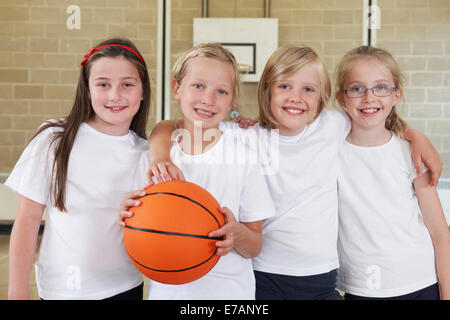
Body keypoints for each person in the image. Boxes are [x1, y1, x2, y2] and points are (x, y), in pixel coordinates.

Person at [146, 44, 442, 300]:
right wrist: (159, 153)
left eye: (308, 89)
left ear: (324, 97)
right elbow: (173, 126)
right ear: (267, 91)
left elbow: (373, 114)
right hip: (264, 272)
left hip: (320, 275)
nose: (295, 97)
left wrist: (414, 134)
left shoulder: (332, 126)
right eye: (284, 86)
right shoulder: (248, 136)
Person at [118, 43, 275, 300]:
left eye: (221, 91)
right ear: (177, 88)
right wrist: (127, 214)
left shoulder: (244, 158)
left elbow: (255, 245)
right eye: (198, 86)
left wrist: (237, 235)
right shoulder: (154, 158)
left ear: (232, 100)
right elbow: (136, 226)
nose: (208, 99)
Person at [6, 38, 151, 300]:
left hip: (125, 287)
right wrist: (17, 293)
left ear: (142, 91)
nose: (115, 95)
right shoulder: (54, 140)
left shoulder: (148, 153)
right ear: (87, 88)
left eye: (127, 85)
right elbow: (27, 221)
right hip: (62, 290)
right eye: (103, 84)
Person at [334, 45, 450, 300]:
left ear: (396, 95)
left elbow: (440, 232)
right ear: (341, 97)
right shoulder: (329, 151)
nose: (369, 97)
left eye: (381, 87)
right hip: (361, 286)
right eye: (357, 88)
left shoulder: (411, 153)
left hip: (420, 283)